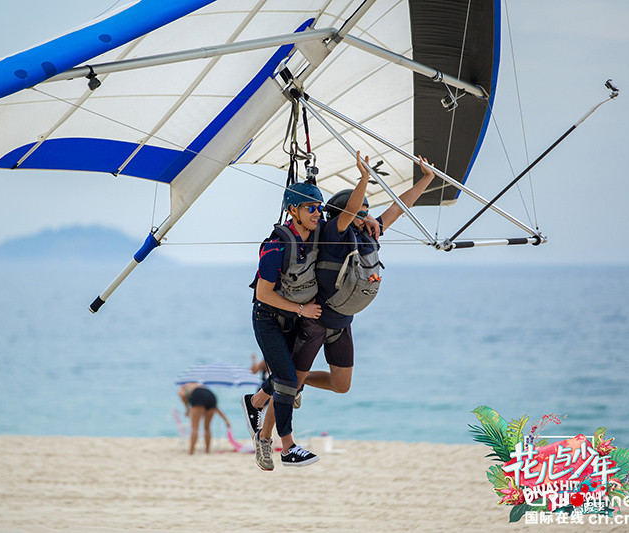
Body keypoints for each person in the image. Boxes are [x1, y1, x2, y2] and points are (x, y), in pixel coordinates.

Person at [293, 151, 437, 395]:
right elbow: (350, 210)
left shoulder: (370, 233)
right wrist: (364, 178)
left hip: (342, 322)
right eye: (361, 212)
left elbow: (399, 207)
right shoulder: (333, 232)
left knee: (341, 385)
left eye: (367, 212)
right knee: (289, 383)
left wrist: (427, 179)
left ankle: (298, 381)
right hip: (317, 318)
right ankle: (271, 416)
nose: (365, 216)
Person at [240, 181, 325, 470]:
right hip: (267, 320)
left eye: (319, 208)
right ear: (292, 210)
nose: (317, 213)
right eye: (310, 208)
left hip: (291, 319)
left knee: (286, 380)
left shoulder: (316, 233)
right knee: (288, 381)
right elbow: (263, 293)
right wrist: (302, 308)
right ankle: (287, 446)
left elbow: (348, 216)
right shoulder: (275, 246)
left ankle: (255, 403)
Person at [178, 382, 231, 454]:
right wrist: (226, 420)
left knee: (194, 427)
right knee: (207, 427)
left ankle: (191, 451)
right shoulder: (200, 386)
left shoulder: (183, 389)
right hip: (211, 396)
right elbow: (216, 408)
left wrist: (187, 408)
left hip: (198, 396)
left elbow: (183, 395)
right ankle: (207, 450)